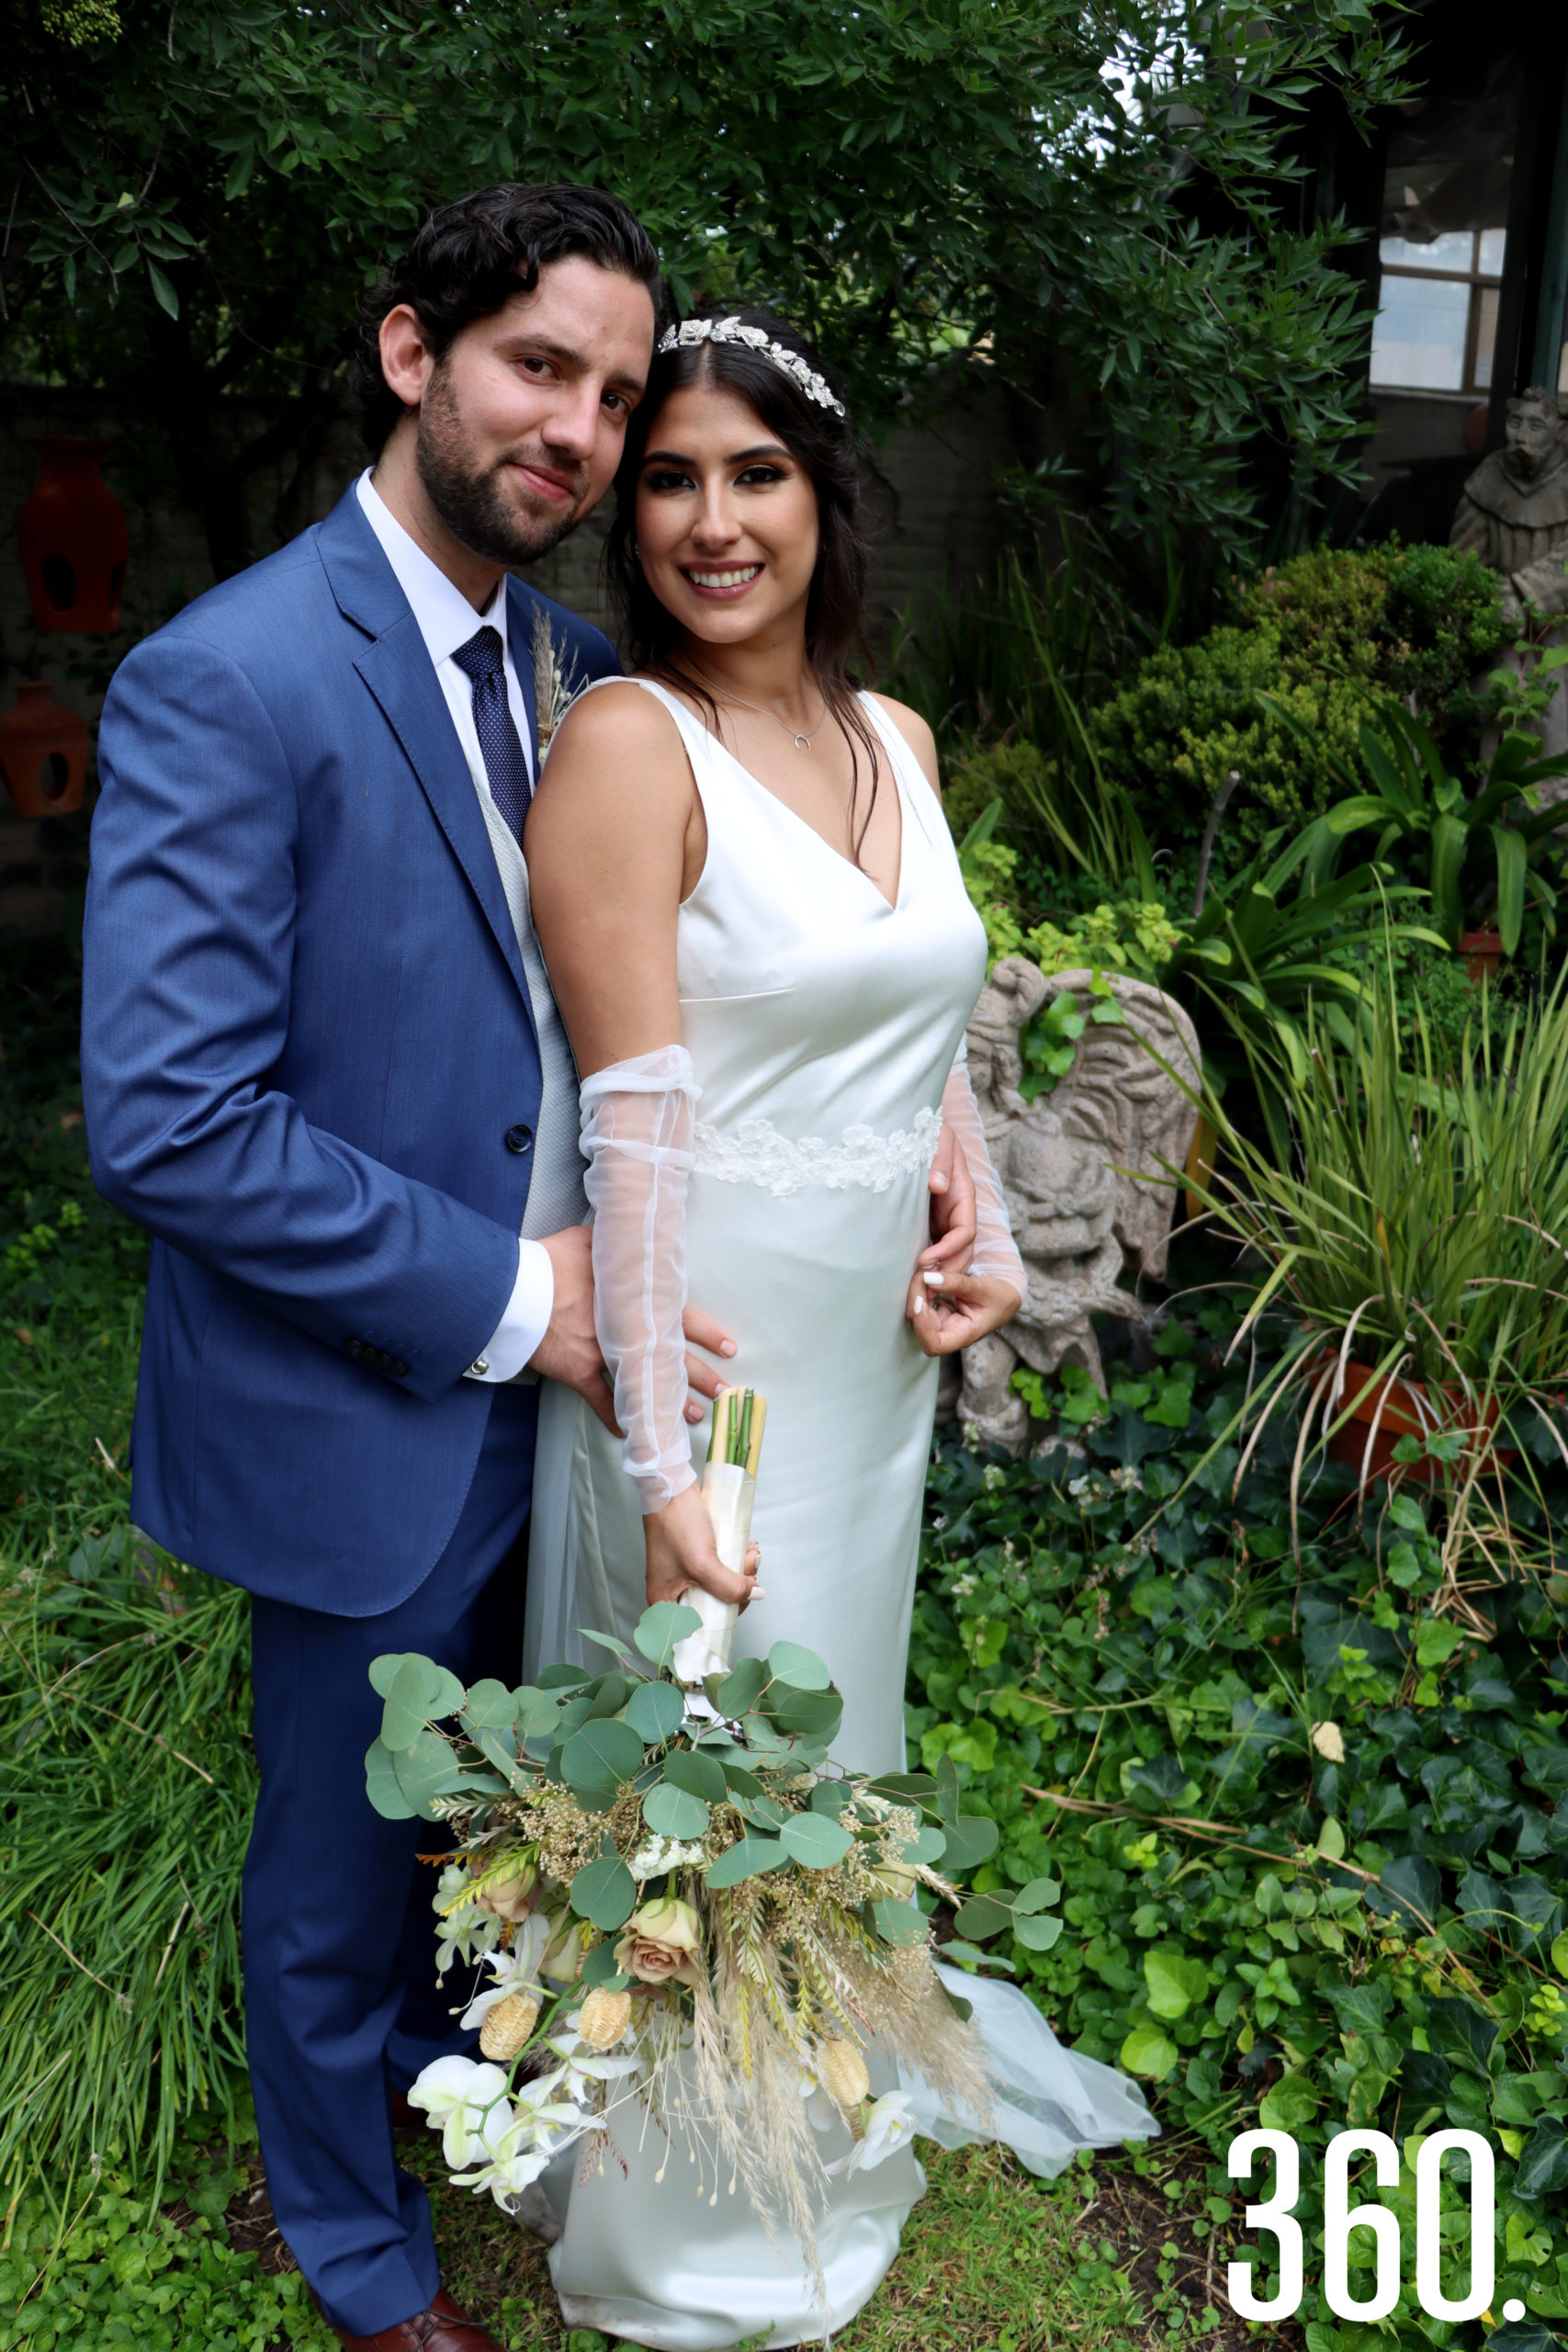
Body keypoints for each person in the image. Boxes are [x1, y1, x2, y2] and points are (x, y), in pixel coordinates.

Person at [79, 184, 737, 2352]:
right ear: (408, 354)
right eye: (536, 366)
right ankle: (354, 2248)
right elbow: (168, 1116)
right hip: (355, 1393)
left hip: (544, 1410)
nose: (575, 428)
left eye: (614, 393)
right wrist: (516, 1296)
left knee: (501, 1816)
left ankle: (455, 2111)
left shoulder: (571, 670)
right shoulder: (227, 671)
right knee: (334, 1858)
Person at [522, 302, 1156, 2351]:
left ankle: (815, 2073)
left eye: (755, 472)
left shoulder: (893, 740)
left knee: (830, 1728)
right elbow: (628, 1129)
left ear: (824, 492)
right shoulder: (629, 746)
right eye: (673, 479)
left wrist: (965, 1199)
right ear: (634, 520)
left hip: (870, 1362)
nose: (712, 521)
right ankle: (694, 2198)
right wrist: (653, 1473)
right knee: (705, 1747)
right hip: (710, 1366)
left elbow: (908, 1003)